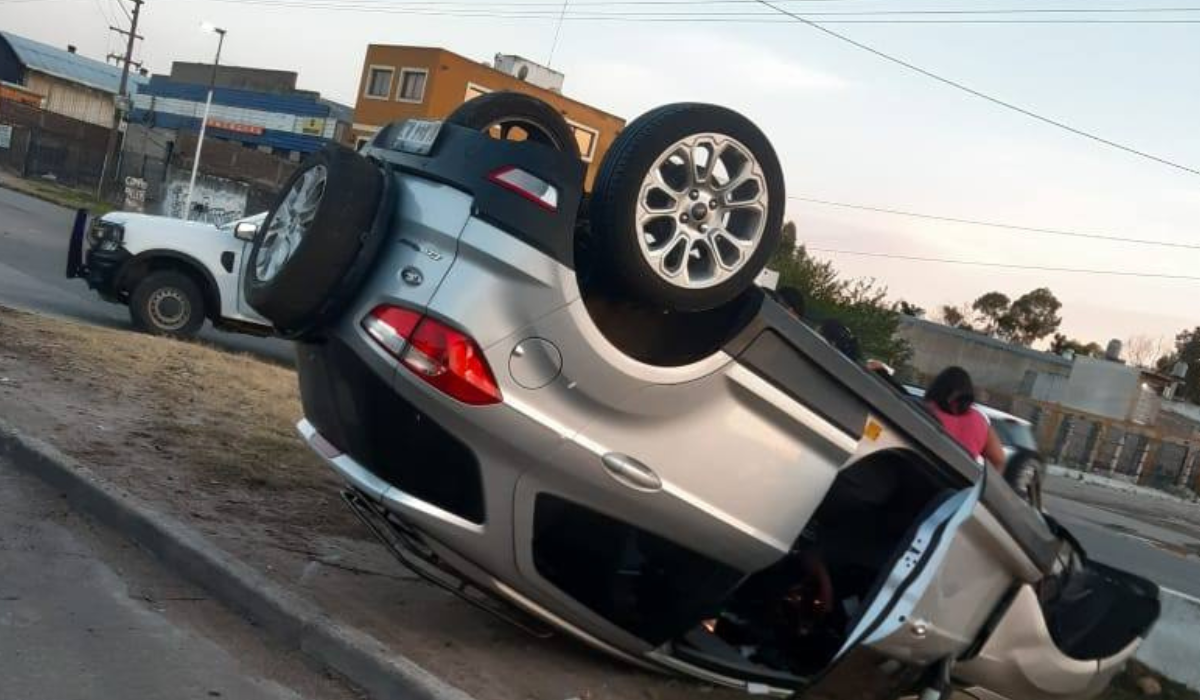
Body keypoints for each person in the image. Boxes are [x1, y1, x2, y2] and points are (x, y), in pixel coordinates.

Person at [923, 366, 1005, 471]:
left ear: (937, 387)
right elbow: (999, 460)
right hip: (960, 477)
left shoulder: (925, 410)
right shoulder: (980, 420)